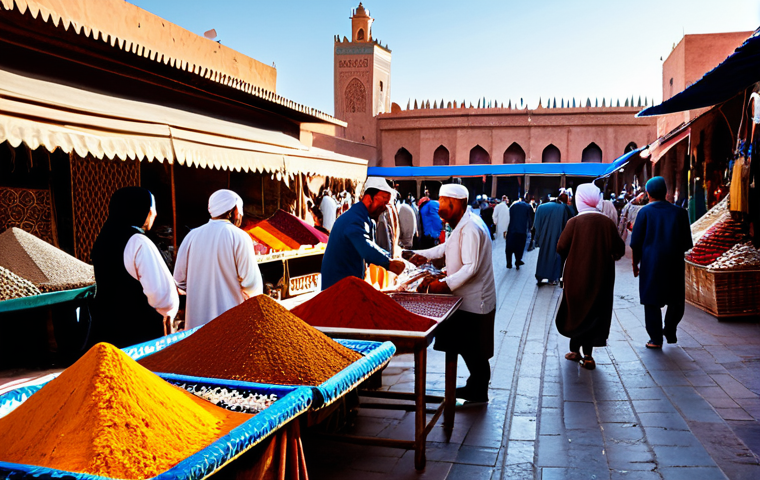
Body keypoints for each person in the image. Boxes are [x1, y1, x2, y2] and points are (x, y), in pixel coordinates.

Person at [410, 184, 496, 403]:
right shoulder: (460, 225)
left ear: (457, 203)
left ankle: (478, 393)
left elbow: (471, 267)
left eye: (443, 202)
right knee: (468, 349)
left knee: (475, 351)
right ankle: (473, 388)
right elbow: (447, 248)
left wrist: (444, 285)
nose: (439, 207)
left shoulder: (470, 229)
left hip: (475, 301)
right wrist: (421, 255)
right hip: (464, 299)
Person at [90, 187, 179, 348]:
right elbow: (160, 293)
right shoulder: (138, 241)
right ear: (141, 209)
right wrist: (167, 311)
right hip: (138, 331)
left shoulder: (104, 238)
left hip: (108, 326)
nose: (154, 214)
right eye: (152, 209)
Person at [556, 183, 625, 369]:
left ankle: (575, 350)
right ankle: (587, 354)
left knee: (576, 309)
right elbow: (619, 248)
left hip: (576, 276)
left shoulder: (574, 222)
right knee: (594, 311)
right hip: (601, 277)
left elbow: (561, 247)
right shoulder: (607, 223)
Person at [174, 190, 263, 329]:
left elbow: (179, 281)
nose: (241, 215)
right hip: (230, 323)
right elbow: (252, 284)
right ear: (235, 210)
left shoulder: (192, 236)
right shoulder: (239, 236)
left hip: (196, 326)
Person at [630, 177, 693, 348]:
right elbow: (687, 243)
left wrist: (635, 264)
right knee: (676, 298)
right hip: (674, 262)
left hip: (651, 263)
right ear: (665, 192)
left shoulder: (644, 212)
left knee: (651, 300)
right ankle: (670, 329)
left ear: (648, 193)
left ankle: (656, 339)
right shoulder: (680, 213)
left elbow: (636, 243)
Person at [320, 177, 406, 290]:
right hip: (337, 287)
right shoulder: (354, 219)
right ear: (368, 198)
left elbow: (371, 247)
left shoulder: (364, 218)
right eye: (383, 202)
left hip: (346, 285)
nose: (384, 208)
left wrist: (401, 256)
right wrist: (388, 263)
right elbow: (366, 247)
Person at [533, 194, 571, 285]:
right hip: (557, 235)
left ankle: (540, 275)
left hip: (543, 236)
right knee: (555, 256)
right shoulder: (563, 208)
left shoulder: (541, 207)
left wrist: (537, 238)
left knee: (543, 255)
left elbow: (536, 225)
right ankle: (552, 278)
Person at [505, 196, 533, 269]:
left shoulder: (513, 206)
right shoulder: (528, 207)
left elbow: (509, 217)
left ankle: (509, 262)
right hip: (522, 230)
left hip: (511, 229)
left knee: (509, 246)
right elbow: (530, 219)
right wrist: (530, 227)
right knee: (520, 246)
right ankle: (518, 260)